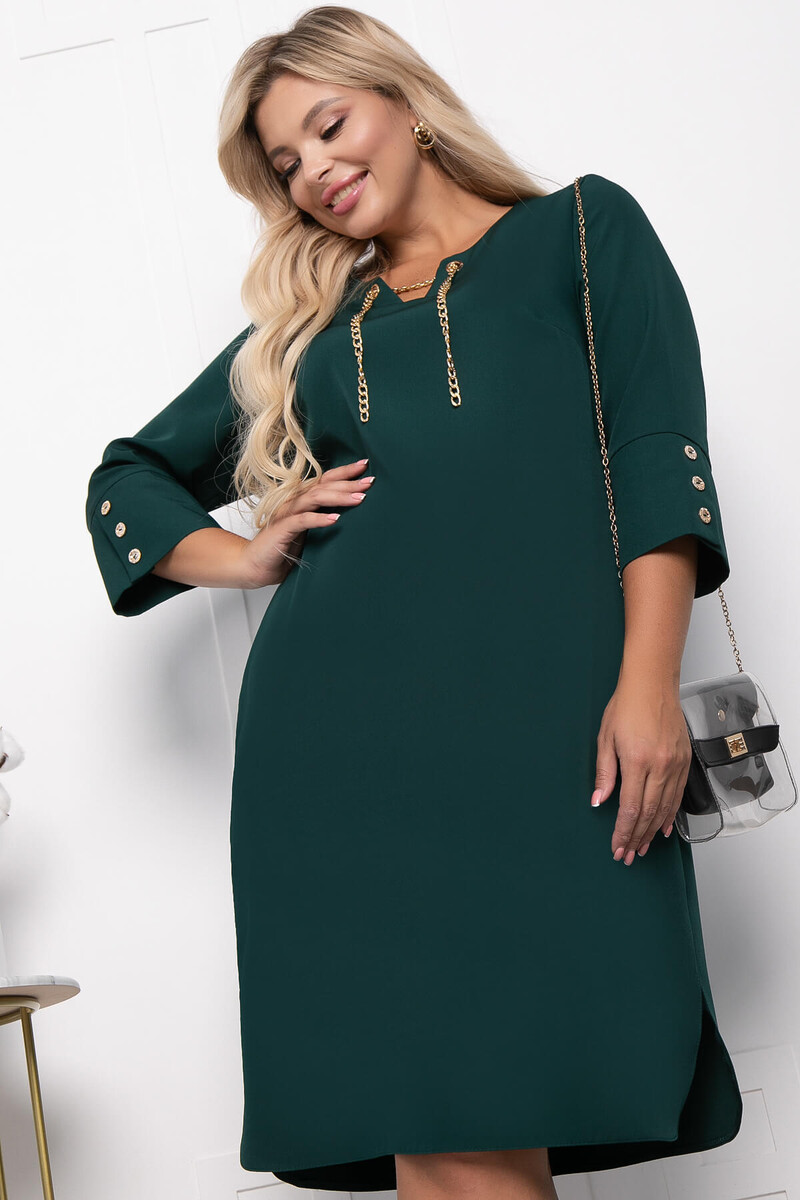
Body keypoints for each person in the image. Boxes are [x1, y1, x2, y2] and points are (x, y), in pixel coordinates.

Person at [84, 6, 743, 1199]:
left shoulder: (580, 230)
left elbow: (654, 457)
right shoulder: (308, 334)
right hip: (342, 766)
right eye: (286, 163)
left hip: (554, 741)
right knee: (439, 1135)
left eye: (328, 126)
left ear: (401, 100)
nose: (315, 170)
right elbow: (129, 476)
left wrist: (646, 686)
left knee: (494, 1108)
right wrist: (244, 555)